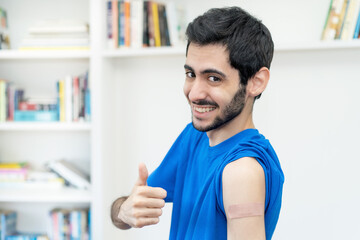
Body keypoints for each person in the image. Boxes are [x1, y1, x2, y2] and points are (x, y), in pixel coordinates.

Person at [111, 6, 284, 240]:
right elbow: (125, 212)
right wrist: (125, 210)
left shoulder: (242, 171)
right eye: (191, 74)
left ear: (256, 82)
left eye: (213, 78)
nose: (194, 93)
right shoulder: (194, 136)